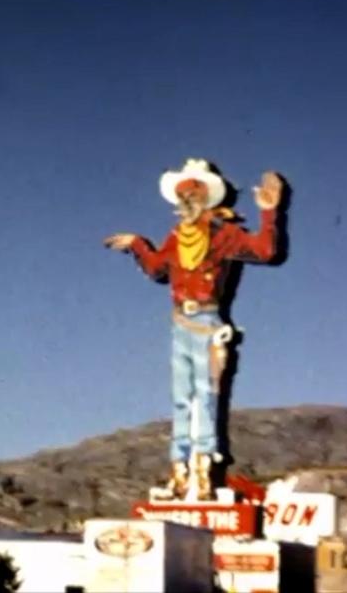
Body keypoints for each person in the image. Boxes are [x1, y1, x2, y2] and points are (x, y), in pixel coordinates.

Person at [104, 158, 283, 499]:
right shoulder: (176, 237)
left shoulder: (224, 233)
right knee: (181, 400)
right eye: (182, 194)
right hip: (180, 322)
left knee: (206, 397)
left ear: (206, 197)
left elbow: (265, 250)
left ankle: (203, 470)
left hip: (206, 321)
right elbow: (158, 270)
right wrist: (138, 245)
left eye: (192, 193)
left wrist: (269, 213)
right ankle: (180, 471)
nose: (185, 199)